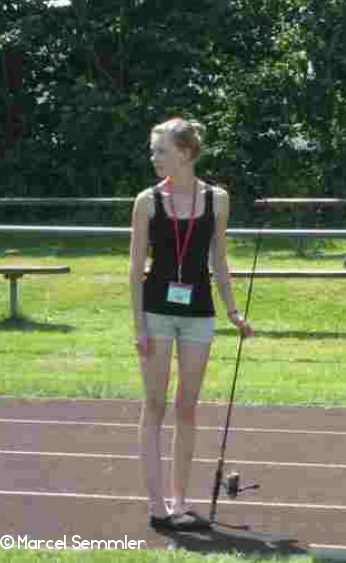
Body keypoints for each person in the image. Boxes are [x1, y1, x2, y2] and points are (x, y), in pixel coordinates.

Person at [129, 118, 254, 531]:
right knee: (155, 405)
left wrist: (233, 311)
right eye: (153, 150)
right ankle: (156, 506)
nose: (154, 157)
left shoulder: (217, 199)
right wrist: (138, 327)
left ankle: (179, 501)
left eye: (160, 150)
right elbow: (134, 270)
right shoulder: (146, 202)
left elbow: (219, 259)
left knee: (187, 408)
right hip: (157, 312)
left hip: (199, 313)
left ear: (184, 153)